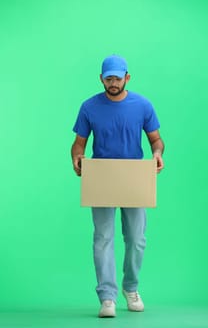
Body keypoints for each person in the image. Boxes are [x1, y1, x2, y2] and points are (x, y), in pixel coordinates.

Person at [71, 55, 164, 318]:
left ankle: (130, 287)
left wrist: (157, 155)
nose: (113, 83)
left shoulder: (143, 105)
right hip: (101, 176)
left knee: (136, 239)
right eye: (108, 78)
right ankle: (107, 297)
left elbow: (156, 140)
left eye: (117, 78)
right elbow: (79, 144)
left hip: (134, 176)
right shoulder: (89, 107)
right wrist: (77, 157)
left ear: (127, 77)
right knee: (102, 239)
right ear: (101, 79)